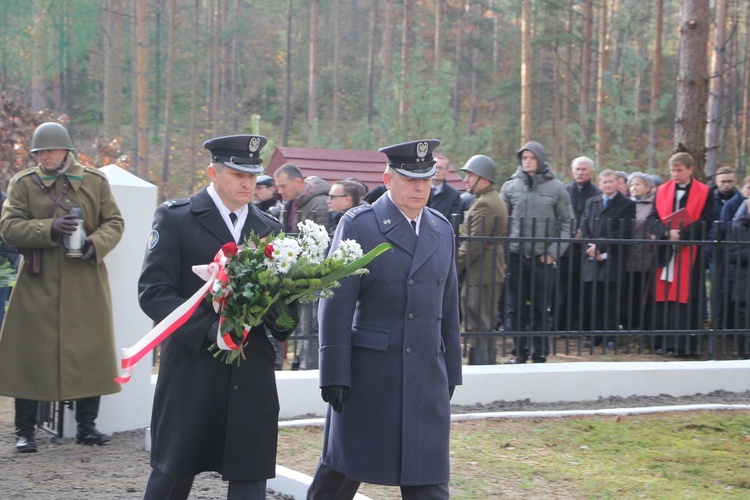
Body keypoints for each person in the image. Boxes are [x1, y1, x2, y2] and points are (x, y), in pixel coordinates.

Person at [138, 134, 297, 499]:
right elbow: (154, 293)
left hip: (251, 371)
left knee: (250, 475)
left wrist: (283, 319)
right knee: (173, 473)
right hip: (193, 368)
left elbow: (282, 302)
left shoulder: (269, 228)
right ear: (212, 172)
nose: (248, 183)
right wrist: (212, 331)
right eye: (237, 174)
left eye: (253, 175)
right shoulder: (177, 218)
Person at [308, 139, 462, 499]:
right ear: (388, 178)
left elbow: (449, 307)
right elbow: (335, 304)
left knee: (428, 478)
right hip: (371, 376)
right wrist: (334, 371)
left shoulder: (441, 229)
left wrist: (451, 369)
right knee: (341, 472)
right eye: (410, 179)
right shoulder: (361, 225)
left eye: (426, 179)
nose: (420, 187)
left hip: (426, 373)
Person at [0, 121, 124, 453]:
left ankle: (87, 426)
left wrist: (96, 244)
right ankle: (25, 431)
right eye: (39, 152)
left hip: (85, 279)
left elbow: (115, 221)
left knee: (90, 351)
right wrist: (48, 227)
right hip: (37, 282)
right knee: (28, 354)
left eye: (51, 150)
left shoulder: (95, 181)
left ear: (66, 150)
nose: (45, 156)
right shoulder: (24, 184)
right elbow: (8, 227)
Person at [501, 141, 574, 364]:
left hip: (542, 258)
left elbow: (567, 223)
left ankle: (540, 352)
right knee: (516, 308)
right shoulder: (510, 187)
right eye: (524, 158)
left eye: (532, 158)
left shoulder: (557, 189)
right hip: (515, 256)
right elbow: (501, 221)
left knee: (541, 308)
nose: (527, 162)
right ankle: (520, 351)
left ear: (540, 160)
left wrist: (552, 252)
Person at [647, 152, 713, 357]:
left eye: (680, 170)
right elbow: (652, 218)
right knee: (663, 297)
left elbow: (707, 220)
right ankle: (661, 343)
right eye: (672, 171)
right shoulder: (662, 190)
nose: (675, 174)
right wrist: (666, 233)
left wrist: (683, 235)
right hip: (666, 250)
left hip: (690, 253)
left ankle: (684, 346)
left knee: (686, 299)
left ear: (690, 169)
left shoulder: (704, 192)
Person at [273, 163, 330, 370]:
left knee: (310, 327)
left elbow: (322, 243)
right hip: (293, 272)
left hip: (309, 275)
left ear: (298, 182)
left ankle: (310, 366)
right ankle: (302, 362)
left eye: (283, 186)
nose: (279, 191)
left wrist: (307, 274)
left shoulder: (320, 204)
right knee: (298, 325)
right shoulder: (292, 202)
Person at [457, 154, 508, 365]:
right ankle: (484, 364)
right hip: (486, 270)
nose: (465, 180)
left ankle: (482, 366)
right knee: (481, 322)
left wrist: (452, 267)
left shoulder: (485, 204)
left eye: (470, 175)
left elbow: (472, 245)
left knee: (478, 322)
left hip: (481, 272)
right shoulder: (487, 200)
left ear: (484, 178)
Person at [580, 169, 635, 349]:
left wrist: (601, 247)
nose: (608, 185)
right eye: (604, 182)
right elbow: (585, 226)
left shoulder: (627, 204)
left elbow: (624, 231)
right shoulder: (591, 202)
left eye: (611, 182)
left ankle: (611, 336)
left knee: (611, 299)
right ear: (600, 183)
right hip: (591, 257)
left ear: (617, 183)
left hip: (613, 257)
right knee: (593, 298)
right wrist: (590, 248)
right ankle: (595, 335)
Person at [557, 156, 600, 331]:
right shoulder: (565, 191)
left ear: (591, 172)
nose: (580, 173)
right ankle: (562, 325)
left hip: (586, 249)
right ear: (572, 171)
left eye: (584, 170)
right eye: (577, 169)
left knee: (583, 290)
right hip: (566, 248)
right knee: (563, 288)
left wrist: (584, 231)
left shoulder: (597, 193)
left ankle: (582, 325)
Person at [622, 172, 656, 330]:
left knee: (640, 289)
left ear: (648, 187)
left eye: (638, 184)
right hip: (625, 254)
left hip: (644, 254)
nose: (634, 187)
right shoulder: (625, 203)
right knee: (625, 291)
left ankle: (640, 323)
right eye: (632, 184)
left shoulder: (652, 204)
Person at [428, 152, 462, 227]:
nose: (437, 171)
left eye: (441, 168)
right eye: (435, 167)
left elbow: (454, 222)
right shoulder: (421, 190)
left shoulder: (454, 195)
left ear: (447, 172)